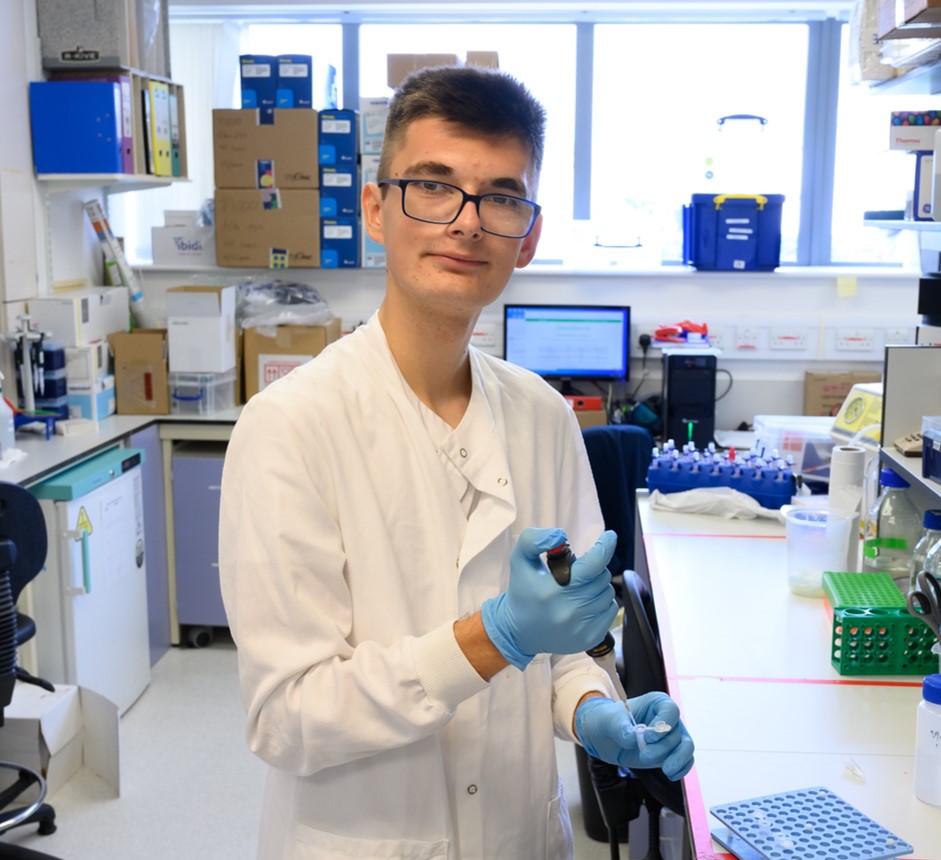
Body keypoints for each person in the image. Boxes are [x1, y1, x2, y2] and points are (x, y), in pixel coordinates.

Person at [219, 65, 694, 860]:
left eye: (501, 197)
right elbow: (287, 717)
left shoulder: (541, 415)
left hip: (518, 835)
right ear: (376, 209)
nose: (467, 223)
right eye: (432, 187)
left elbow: (567, 644)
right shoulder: (289, 427)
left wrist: (594, 713)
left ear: (529, 235)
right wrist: (495, 636)